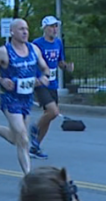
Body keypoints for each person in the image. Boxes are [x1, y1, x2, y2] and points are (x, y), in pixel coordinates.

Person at [0, 19, 51, 175]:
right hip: (10, 100)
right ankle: (28, 176)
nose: (25, 32)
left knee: (15, 138)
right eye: (21, 29)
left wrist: (44, 78)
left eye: (26, 29)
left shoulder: (34, 49)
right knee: (23, 138)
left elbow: (46, 69)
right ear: (12, 32)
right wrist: (1, 80)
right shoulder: (3, 52)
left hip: (27, 99)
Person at [29, 17, 74, 160]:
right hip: (41, 82)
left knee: (49, 116)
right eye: (51, 26)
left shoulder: (58, 43)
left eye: (56, 26)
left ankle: (35, 146)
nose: (54, 29)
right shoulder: (37, 44)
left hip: (53, 83)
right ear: (44, 28)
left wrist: (67, 67)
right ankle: (34, 128)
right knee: (53, 112)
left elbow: (60, 62)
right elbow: (30, 61)